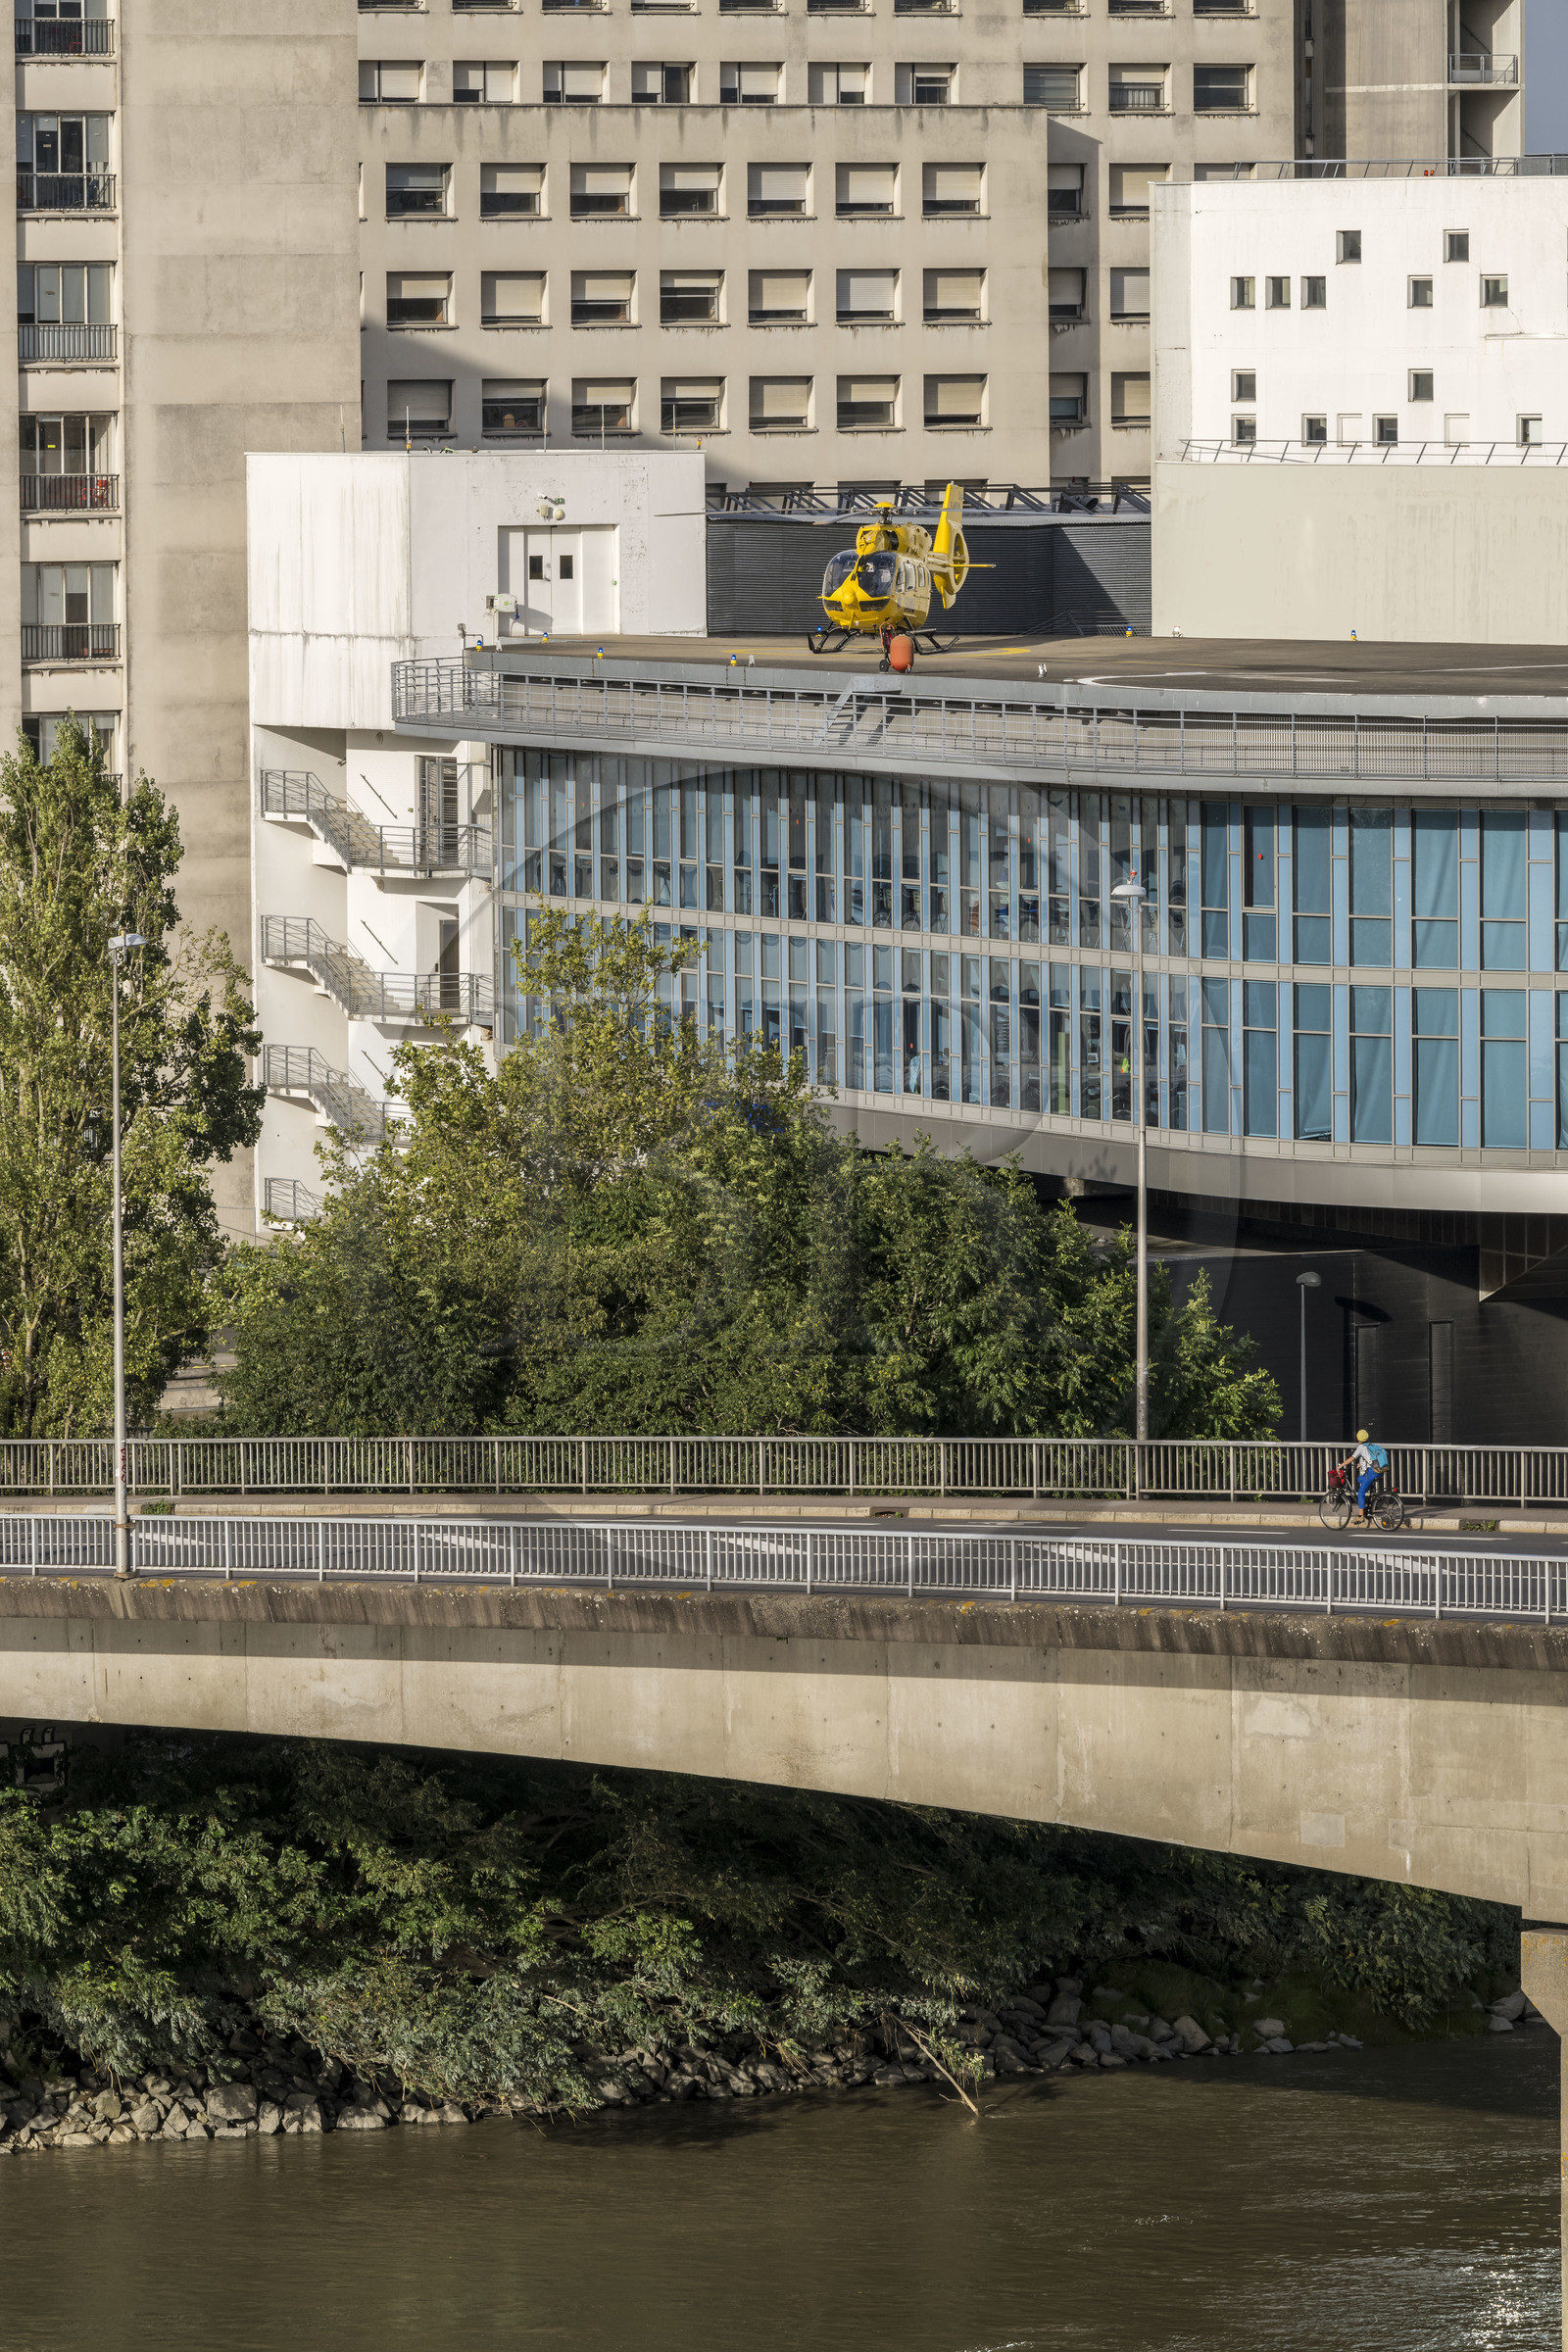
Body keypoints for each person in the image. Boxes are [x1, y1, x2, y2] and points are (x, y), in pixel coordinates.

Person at [1336, 1430, 1378, 1524]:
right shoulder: (1371, 1445)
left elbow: (1352, 1458)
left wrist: (1341, 1465)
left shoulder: (1361, 1447)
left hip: (1371, 1472)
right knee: (1360, 1479)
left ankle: (1360, 1516)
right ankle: (1373, 1497)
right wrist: (1361, 1463)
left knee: (1361, 1493)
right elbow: (1370, 1458)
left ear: (1358, 1438)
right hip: (1378, 1470)